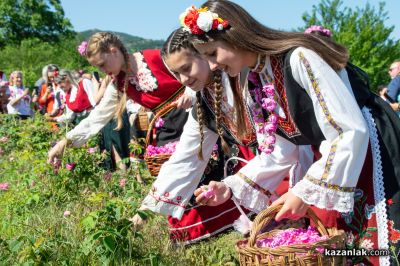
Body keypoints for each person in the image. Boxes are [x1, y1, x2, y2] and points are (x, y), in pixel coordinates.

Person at [175, 2, 400, 264]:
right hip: (337, 156)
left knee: (377, 246)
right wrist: (229, 186)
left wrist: (304, 192)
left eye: (213, 53)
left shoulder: (299, 57)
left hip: (366, 150)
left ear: (234, 37)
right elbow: (282, 149)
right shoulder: (258, 79)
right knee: (343, 245)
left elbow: (349, 130)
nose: (212, 66)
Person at [135, 27, 264, 244]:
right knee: (186, 226)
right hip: (262, 167)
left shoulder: (243, 75)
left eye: (187, 68)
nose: (183, 79)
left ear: (204, 54)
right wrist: (144, 211)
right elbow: (186, 157)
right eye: (176, 73)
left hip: (289, 159)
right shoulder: (204, 99)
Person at [47, 32, 193, 171]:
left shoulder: (154, 57)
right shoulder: (118, 84)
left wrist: (190, 93)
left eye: (102, 64)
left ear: (114, 51)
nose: (102, 70)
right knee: (170, 173)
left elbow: (193, 72)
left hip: (192, 114)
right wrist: (64, 143)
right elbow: (96, 118)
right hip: (168, 127)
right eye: (98, 67)